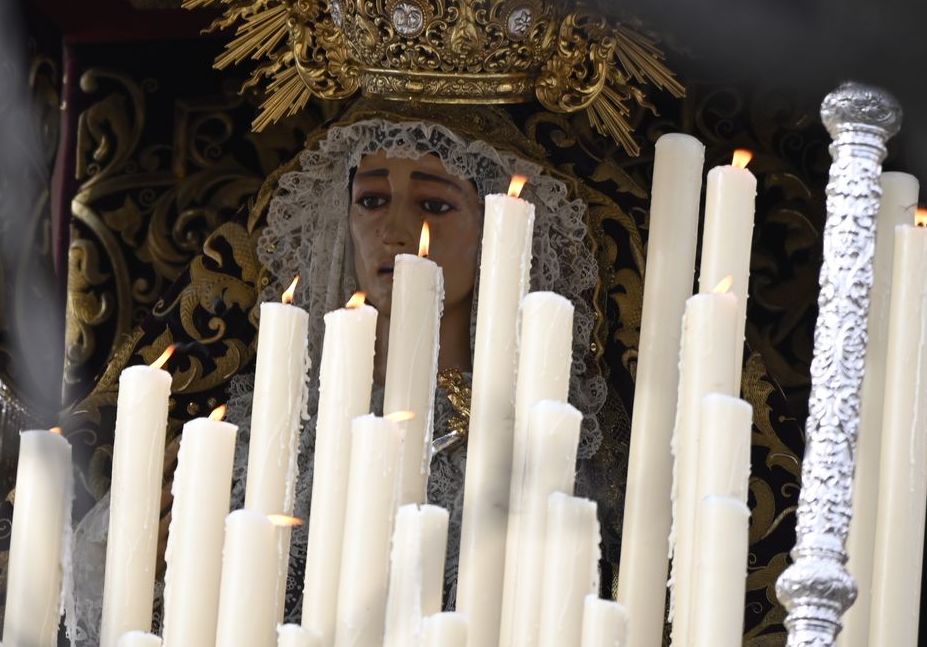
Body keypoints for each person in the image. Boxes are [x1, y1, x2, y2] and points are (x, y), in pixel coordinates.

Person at [67, 99, 625, 637]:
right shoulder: (267, 433)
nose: (395, 232)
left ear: (500, 229)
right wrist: (148, 570)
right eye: (372, 200)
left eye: (435, 205)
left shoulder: (544, 444)